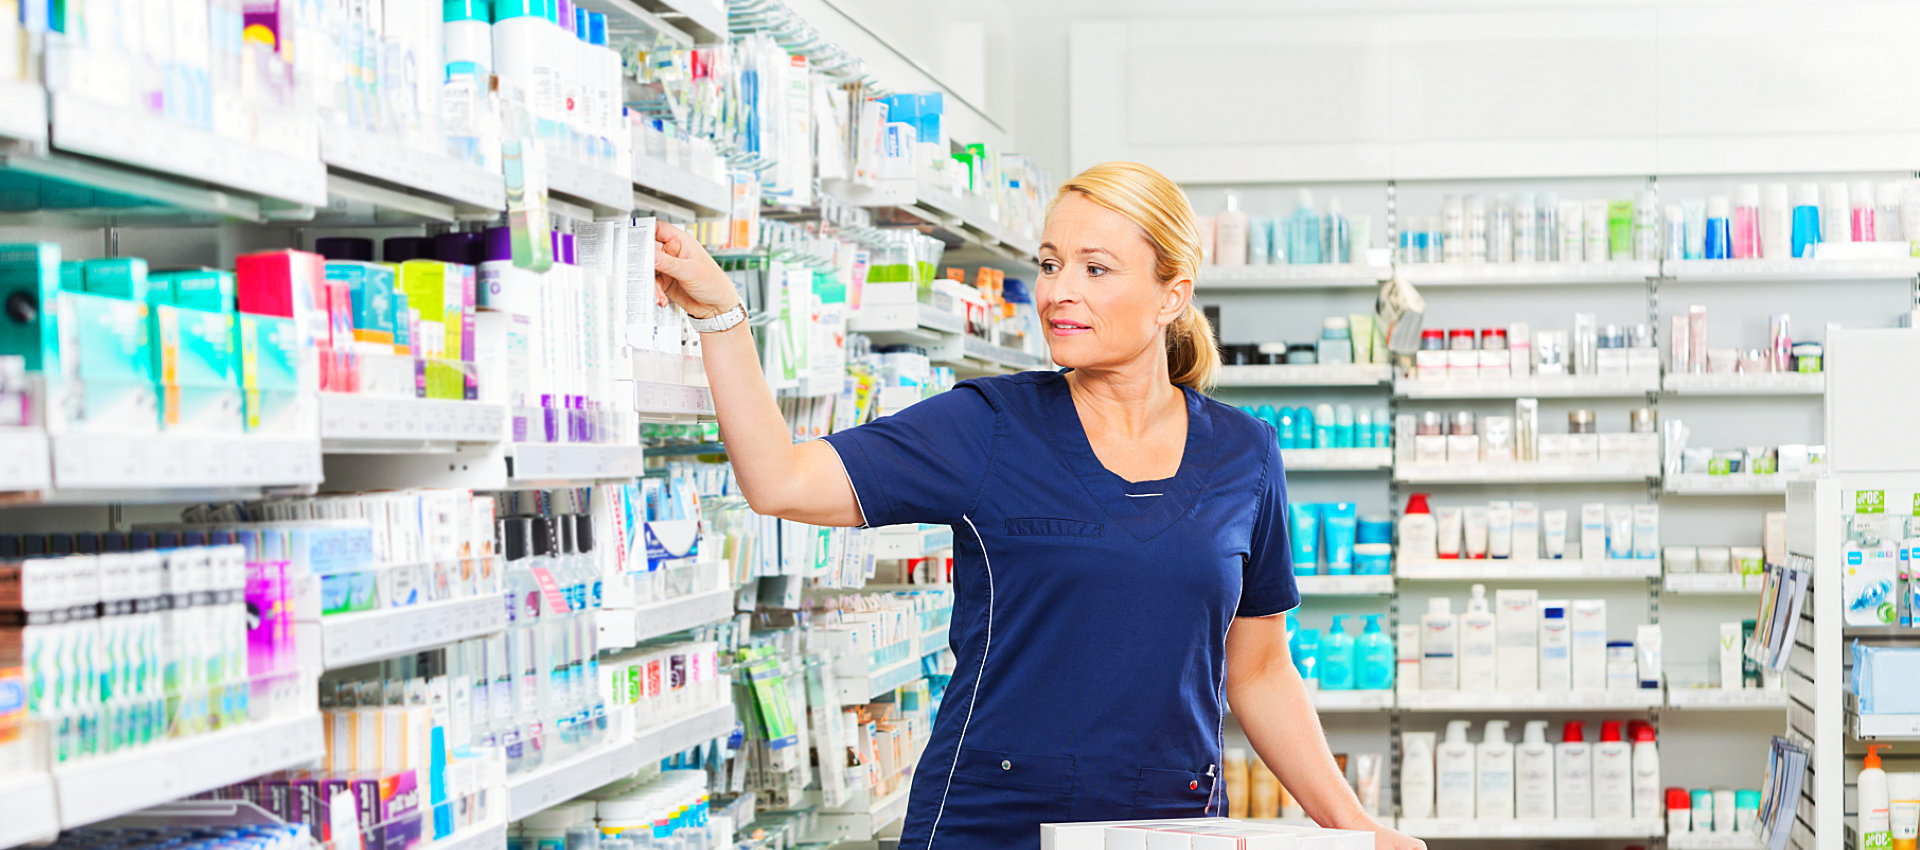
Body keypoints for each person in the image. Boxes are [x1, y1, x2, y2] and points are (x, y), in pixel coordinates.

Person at [650, 160, 1424, 850]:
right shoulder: (987, 426)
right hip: (994, 820)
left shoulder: (1243, 453)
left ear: (1171, 296)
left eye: (1096, 268)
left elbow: (1258, 673)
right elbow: (778, 479)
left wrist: (1354, 827)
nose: (1058, 292)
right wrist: (721, 312)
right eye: (1050, 264)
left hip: (1169, 824)